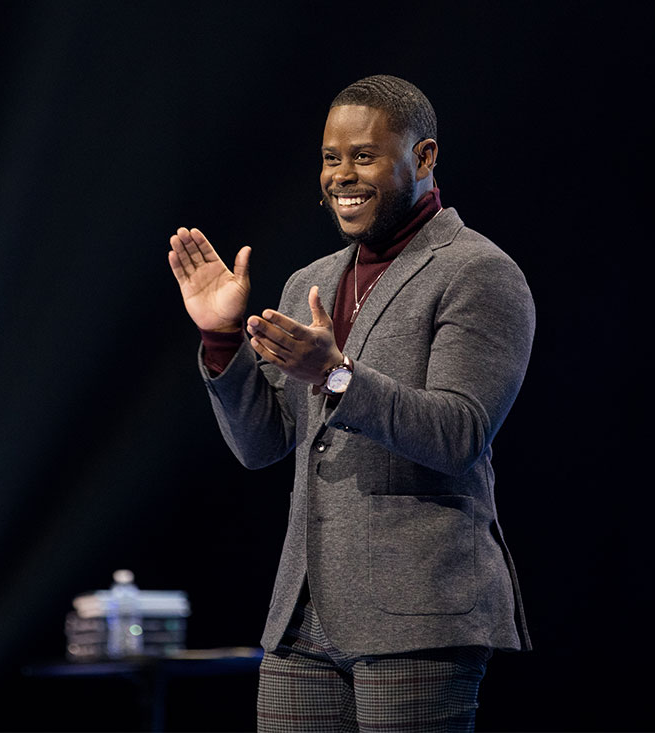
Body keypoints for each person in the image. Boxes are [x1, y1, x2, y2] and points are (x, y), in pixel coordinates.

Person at [167, 75, 534, 732]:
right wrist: (221, 340)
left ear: (423, 157)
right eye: (331, 158)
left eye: (364, 156)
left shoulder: (477, 272)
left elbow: (458, 433)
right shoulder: (310, 281)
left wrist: (337, 376)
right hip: (303, 617)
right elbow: (262, 445)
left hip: (417, 615)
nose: (341, 176)